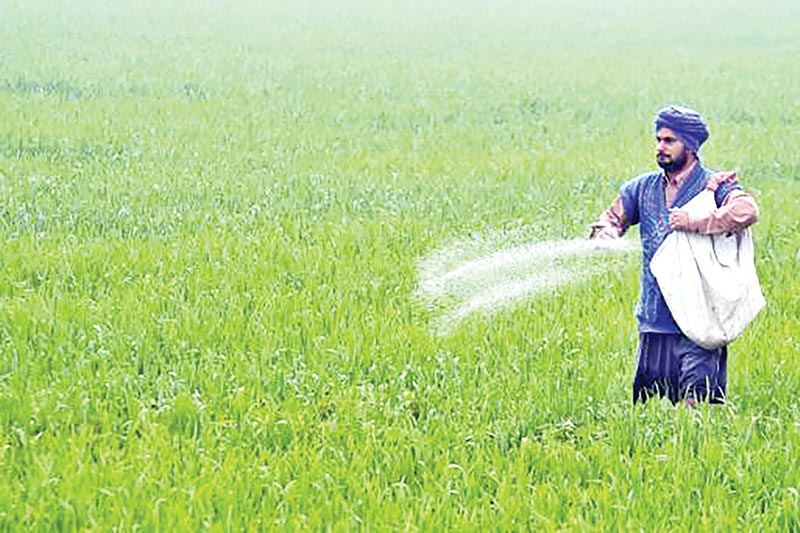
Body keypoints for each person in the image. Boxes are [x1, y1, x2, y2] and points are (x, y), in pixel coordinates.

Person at [589, 105, 759, 406]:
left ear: (690, 146)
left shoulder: (715, 186)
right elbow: (612, 219)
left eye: (670, 141)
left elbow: (747, 210)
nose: (660, 148)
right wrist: (605, 232)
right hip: (655, 319)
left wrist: (697, 222)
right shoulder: (641, 188)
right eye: (658, 140)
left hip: (699, 319)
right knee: (652, 411)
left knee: (697, 411)